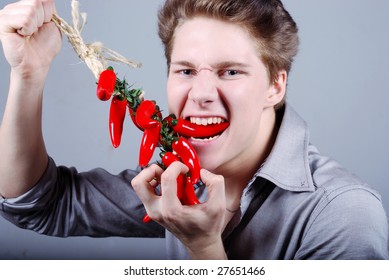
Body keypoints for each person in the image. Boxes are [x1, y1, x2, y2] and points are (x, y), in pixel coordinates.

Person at [0, 0, 388, 260]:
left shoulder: (344, 215)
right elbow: (39, 205)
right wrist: (28, 74)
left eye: (230, 71)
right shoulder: (179, 179)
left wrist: (203, 247)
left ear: (276, 86)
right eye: (185, 70)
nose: (201, 94)